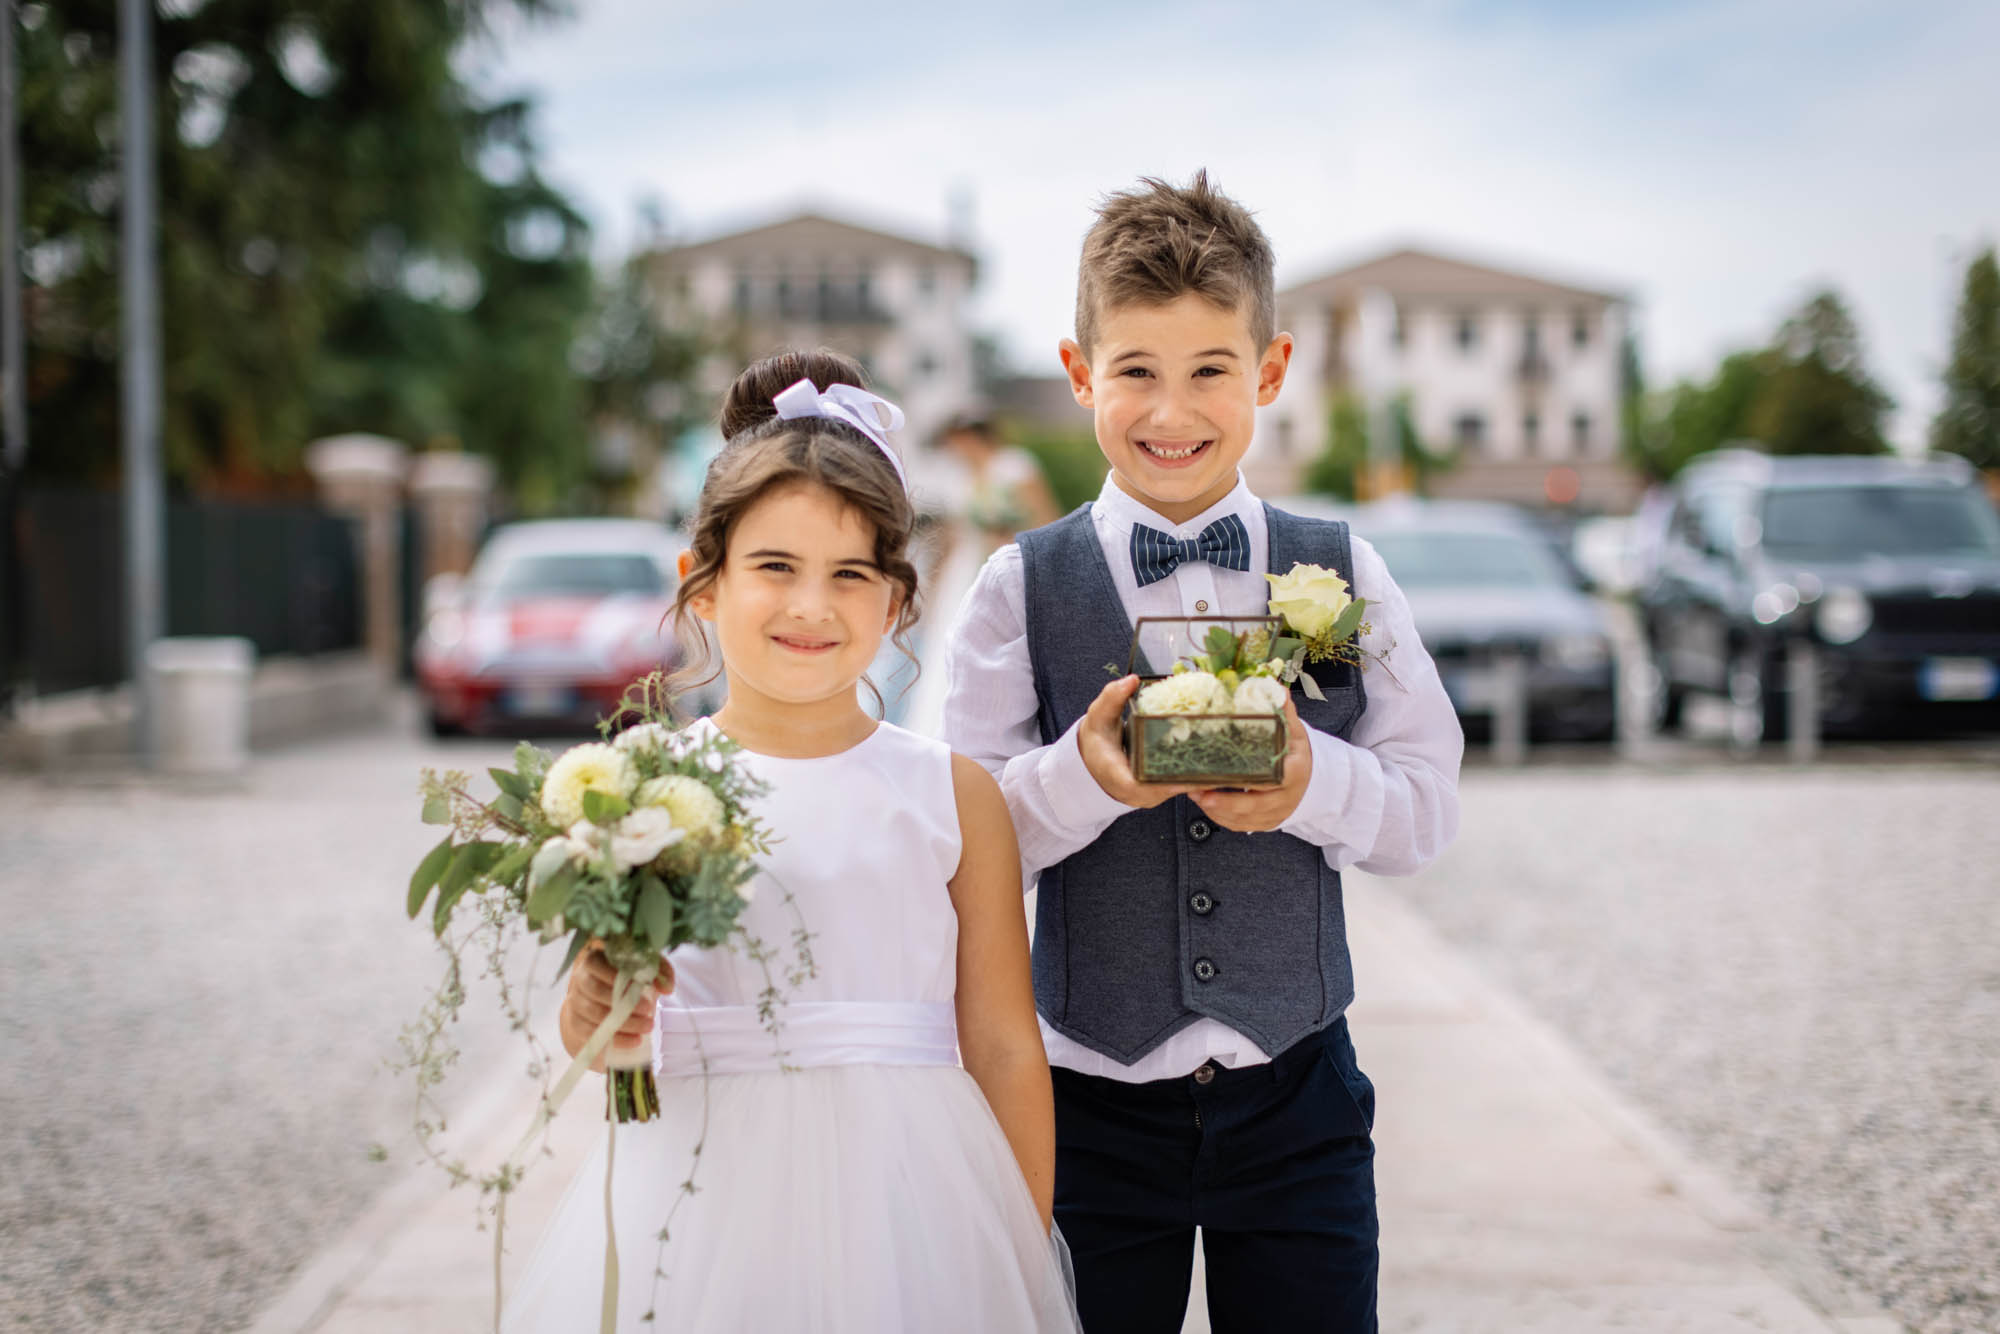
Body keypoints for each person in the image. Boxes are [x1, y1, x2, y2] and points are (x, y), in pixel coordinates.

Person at [942, 173, 1463, 1333]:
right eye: (1134, 371)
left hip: (1300, 1099)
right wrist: (1083, 777)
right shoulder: (1013, 587)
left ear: (1268, 372)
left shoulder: (1344, 569)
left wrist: (1306, 785)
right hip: (1082, 1107)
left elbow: (1426, 811)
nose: (1168, 409)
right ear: (1079, 374)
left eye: (1207, 372)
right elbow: (959, 841)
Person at [502, 349, 1081, 1333]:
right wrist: (597, 1007)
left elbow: (1001, 1041)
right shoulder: (642, 781)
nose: (811, 605)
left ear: (897, 598)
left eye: (849, 574)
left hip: (911, 1198)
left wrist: (1017, 1255)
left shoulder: (950, 793)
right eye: (774, 566)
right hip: (695, 1192)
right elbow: (593, 1026)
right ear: (703, 581)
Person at [903, 413, 1062, 738]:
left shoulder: (1015, 466)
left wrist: (1011, 539)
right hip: (965, 568)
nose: (954, 449)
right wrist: (932, 591)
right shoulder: (959, 478)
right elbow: (955, 536)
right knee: (950, 641)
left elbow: (1046, 519)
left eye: (956, 441)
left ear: (971, 436)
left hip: (1008, 559)